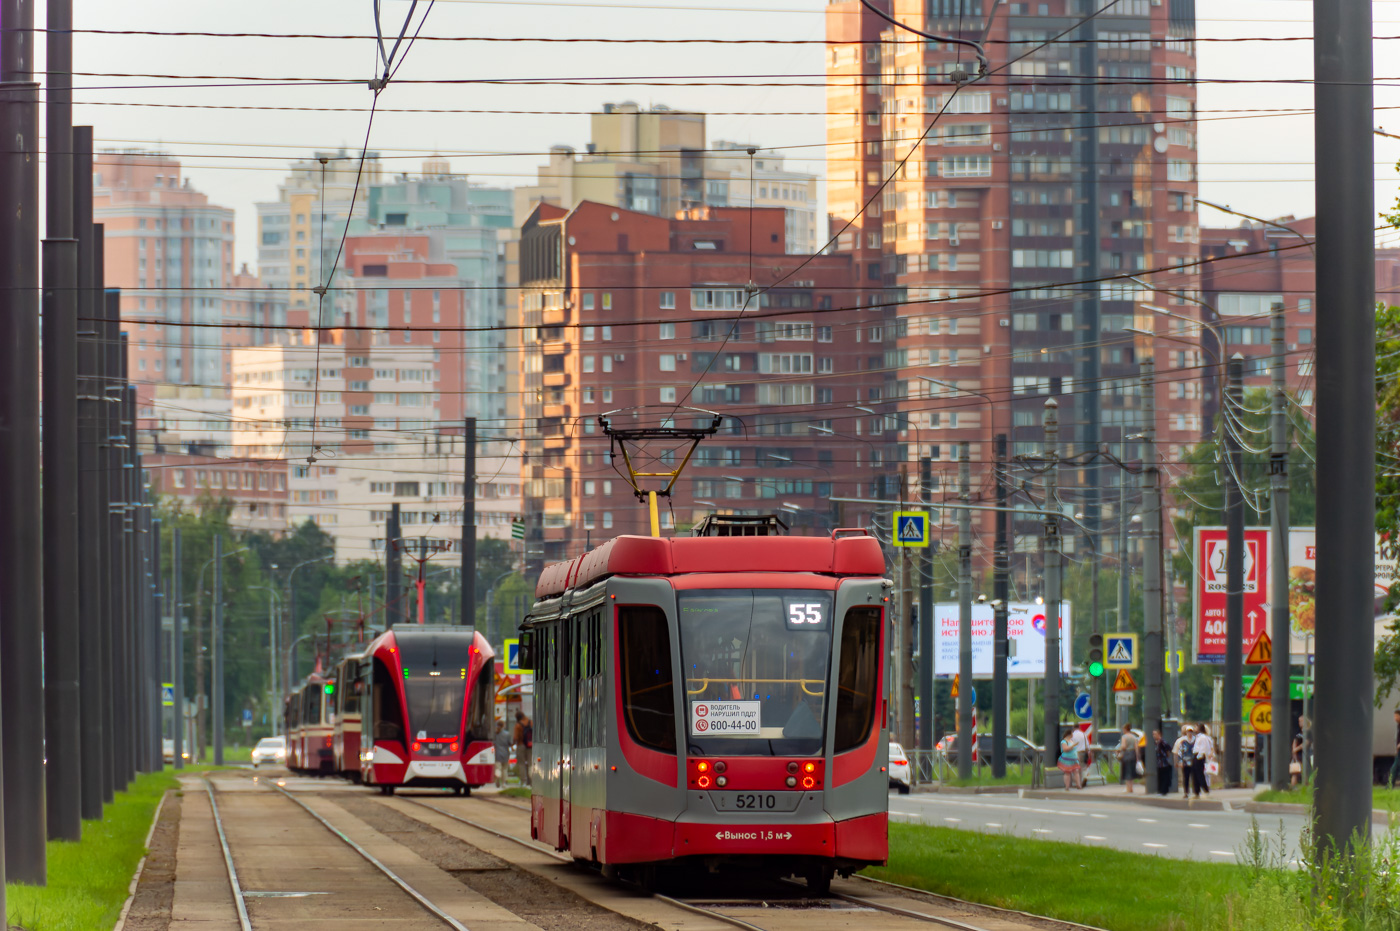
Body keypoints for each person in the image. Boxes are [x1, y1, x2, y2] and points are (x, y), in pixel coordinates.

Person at [1190, 722, 1215, 798]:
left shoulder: (1203, 737)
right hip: (1196, 755)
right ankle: (1196, 791)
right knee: (1195, 774)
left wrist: (1199, 756)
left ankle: (1205, 789)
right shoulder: (1197, 737)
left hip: (1199, 756)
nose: (1195, 728)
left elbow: (1204, 748)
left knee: (1200, 773)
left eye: (1196, 726)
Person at [1173, 725, 1196, 799]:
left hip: (1194, 761)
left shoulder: (1195, 740)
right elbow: (1179, 752)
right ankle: (1186, 792)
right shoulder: (1182, 741)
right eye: (1188, 731)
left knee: (1194, 777)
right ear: (1186, 732)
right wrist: (1179, 762)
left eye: (1191, 731)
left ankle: (1196, 791)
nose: (1190, 733)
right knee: (1186, 777)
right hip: (1185, 762)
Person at [512, 710, 533, 786]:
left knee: (522, 764)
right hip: (530, 745)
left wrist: (513, 744)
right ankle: (531, 781)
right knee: (530, 764)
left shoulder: (518, 725)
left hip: (521, 745)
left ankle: (523, 781)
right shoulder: (531, 722)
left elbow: (516, 737)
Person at [1117, 723, 1139, 793]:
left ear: (1125, 729)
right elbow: (1136, 748)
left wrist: (1118, 749)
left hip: (1127, 754)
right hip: (1133, 755)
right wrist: (1138, 757)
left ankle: (1128, 788)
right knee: (1131, 771)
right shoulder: (1134, 737)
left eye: (1123, 729)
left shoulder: (1124, 737)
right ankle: (1131, 788)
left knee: (1127, 771)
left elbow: (1123, 746)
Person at [492, 718, 512, 789]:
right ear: (503, 725)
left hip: (497, 753)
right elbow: (510, 743)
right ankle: (503, 783)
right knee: (505, 769)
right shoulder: (507, 734)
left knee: (498, 767)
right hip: (505, 753)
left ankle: (497, 776)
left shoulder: (495, 734)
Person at [1153, 728, 1173, 797]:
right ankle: (1160, 790)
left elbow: (1169, 749)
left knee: (1164, 777)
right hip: (1159, 763)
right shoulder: (1156, 743)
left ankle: (1164, 791)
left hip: (1164, 762)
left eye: (1155, 734)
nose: (1154, 736)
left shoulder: (1163, 742)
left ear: (1159, 734)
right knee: (1160, 777)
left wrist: (1167, 756)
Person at [1389, 710, 1400, 790]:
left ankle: (1389, 785)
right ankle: (1390, 785)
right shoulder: (1398, 725)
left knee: (1394, 768)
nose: (1395, 718)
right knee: (1395, 767)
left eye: (1396, 716)